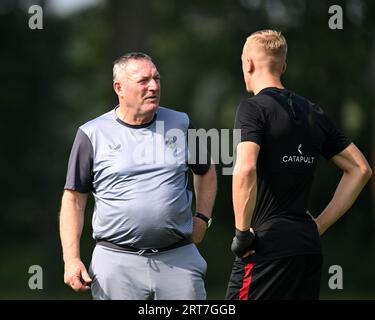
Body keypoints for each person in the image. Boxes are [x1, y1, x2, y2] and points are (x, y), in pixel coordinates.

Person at [226, 30, 372, 300]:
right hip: (307, 246)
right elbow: (360, 169)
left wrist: (242, 233)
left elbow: (246, 168)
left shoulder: (253, 109)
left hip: (265, 247)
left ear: (248, 63)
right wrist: (318, 226)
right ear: (283, 66)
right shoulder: (312, 112)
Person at [59, 52, 217, 300]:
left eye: (156, 78)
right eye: (143, 81)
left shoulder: (181, 123)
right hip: (116, 263)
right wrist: (71, 259)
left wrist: (202, 217)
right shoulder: (92, 133)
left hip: (178, 259)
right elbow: (73, 200)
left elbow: (206, 171)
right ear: (119, 88)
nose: (153, 86)